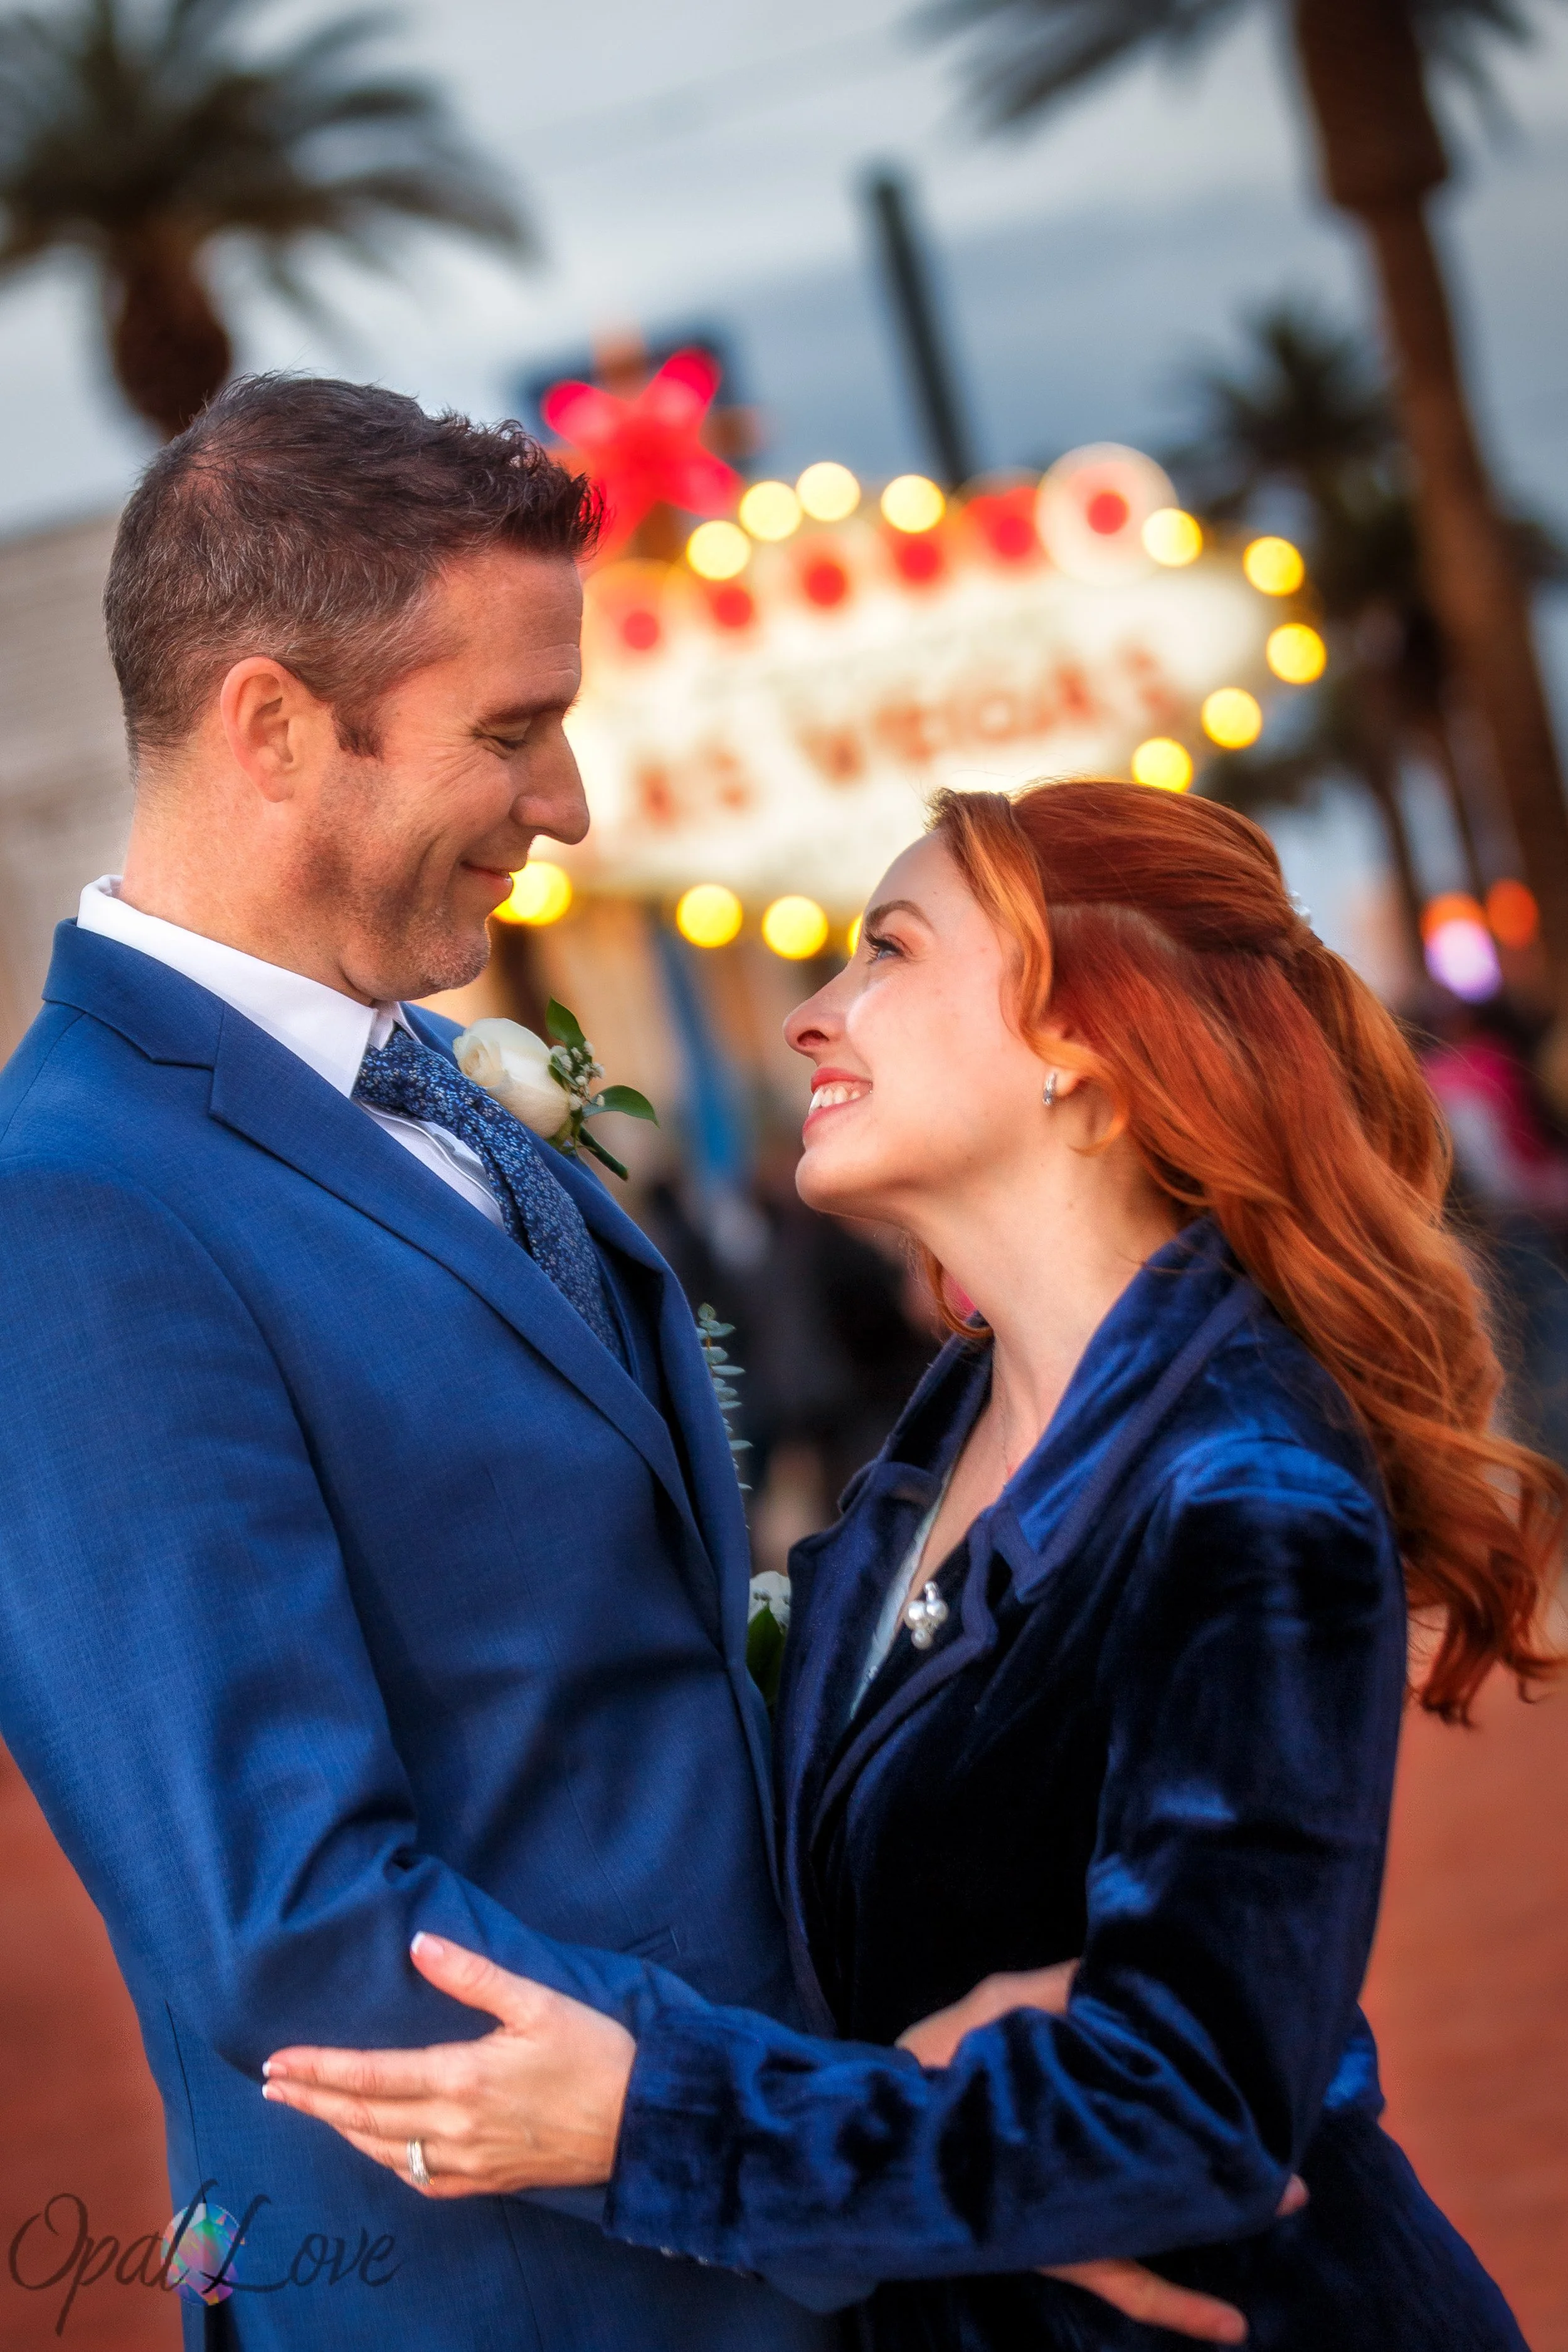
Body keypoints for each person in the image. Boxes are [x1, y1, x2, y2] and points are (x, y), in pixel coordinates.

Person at [0, 387, 1214, 2352]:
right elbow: (308, 1934)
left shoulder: (421, 1089)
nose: (564, 802)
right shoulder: (77, 1210)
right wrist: (862, 2160)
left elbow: (623, 1661)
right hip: (541, 2297)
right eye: (505, 731)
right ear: (273, 726)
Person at [263, 781, 1564, 2349]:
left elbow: (1196, 2104)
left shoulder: (1241, 1487)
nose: (812, 1014)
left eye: (886, 948)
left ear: (1084, 1039)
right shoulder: (955, 1419)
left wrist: (657, 2125)